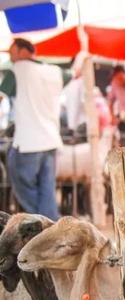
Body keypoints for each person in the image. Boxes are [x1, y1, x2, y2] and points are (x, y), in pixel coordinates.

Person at [0, 38, 67, 220]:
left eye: (13, 53)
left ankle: (39, 222)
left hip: (28, 143)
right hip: (51, 141)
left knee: (21, 184)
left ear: (23, 52)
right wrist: (83, 54)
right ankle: (49, 226)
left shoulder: (18, 70)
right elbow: (73, 73)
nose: (12, 58)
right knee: (47, 191)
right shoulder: (54, 71)